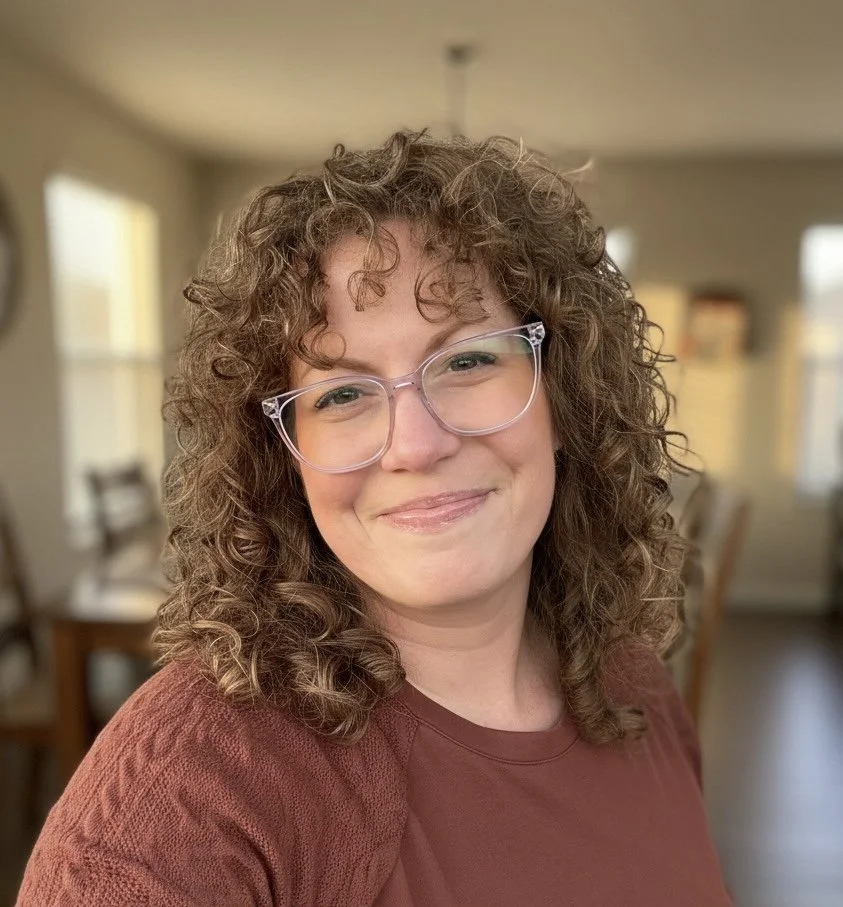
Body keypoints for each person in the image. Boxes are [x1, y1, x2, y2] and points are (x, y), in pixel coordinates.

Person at [18, 130, 731, 905]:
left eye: (467, 359)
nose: (415, 444)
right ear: (285, 459)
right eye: (342, 393)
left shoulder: (635, 687)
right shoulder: (182, 805)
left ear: (560, 395)